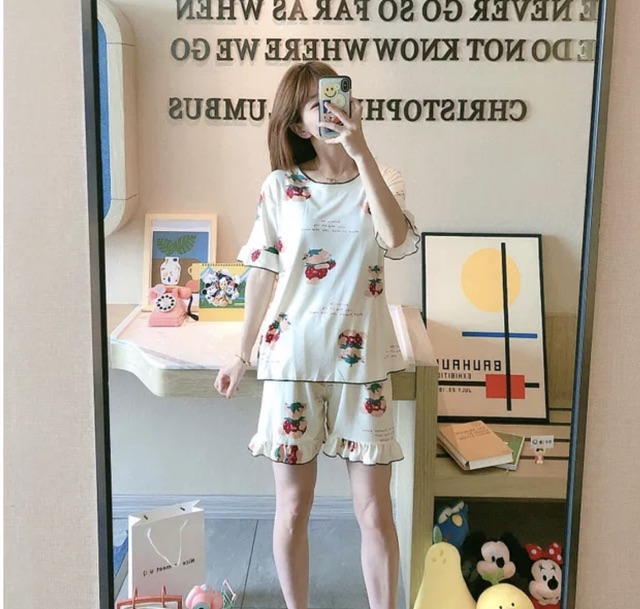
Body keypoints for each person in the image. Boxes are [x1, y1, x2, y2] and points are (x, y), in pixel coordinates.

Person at [214, 61, 419, 609]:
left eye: (338, 97)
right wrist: (241, 353)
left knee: (375, 511)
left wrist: (361, 151)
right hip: (293, 360)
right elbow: (262, 270)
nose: (333, 110)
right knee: (293, 509)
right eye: (316, 105)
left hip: (364, 364)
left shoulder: (384, 177)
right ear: (299, 126)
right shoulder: (280, 186)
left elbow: (397, 240)